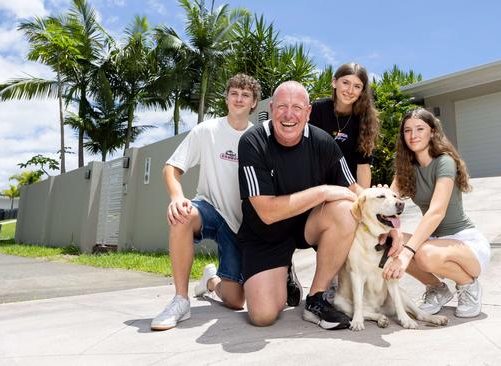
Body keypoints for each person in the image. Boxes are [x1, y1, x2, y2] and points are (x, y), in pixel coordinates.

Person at [237, 81, 358, 330]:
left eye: (297, 107)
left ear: (308, 112)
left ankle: (316, 299)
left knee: (345, 209)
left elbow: (355, 193)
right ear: (271, 108)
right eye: (282, 106)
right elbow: (267, 212)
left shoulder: (323, 142)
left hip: (307, 226)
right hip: (265, 233)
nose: (289, 115)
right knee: (262, 316)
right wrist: (323, 191)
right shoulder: (252, 141)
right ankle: (284, 273)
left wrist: (389, 223)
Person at [150, 74, 261, 331]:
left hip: (240, 225)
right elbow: (171, 168)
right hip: (209, 208)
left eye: (246, 95)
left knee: (235, 301)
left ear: (254, 102)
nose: (239, 99)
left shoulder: (258, 137)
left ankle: (210, 281)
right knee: (182, 214)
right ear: (226, 97)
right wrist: (177, 197)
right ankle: (180, 300)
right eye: (234, 93)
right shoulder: (207, 130)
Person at [383, 108, 491, 318]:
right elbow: (390, 200)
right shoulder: (406, 167)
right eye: (407, 130)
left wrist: (406, 254)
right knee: (386, 241)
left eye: (420, 129)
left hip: (463, 242)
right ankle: (437, 289)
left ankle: (468, 285)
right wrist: (378, 197)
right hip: (433, 240)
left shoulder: (444, 161)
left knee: (423, 254)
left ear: (432, 132)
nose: (413, 135)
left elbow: (436, 212)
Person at [309, 62, 379, 189]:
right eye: (345, 83)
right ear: (334, 82)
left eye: (357, 86)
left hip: (347, 189)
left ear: (362, 91)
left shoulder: (364, 119)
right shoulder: (317, 110)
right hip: (316, 186)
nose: (350, 90)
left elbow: (363, 166)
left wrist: (362, 201)